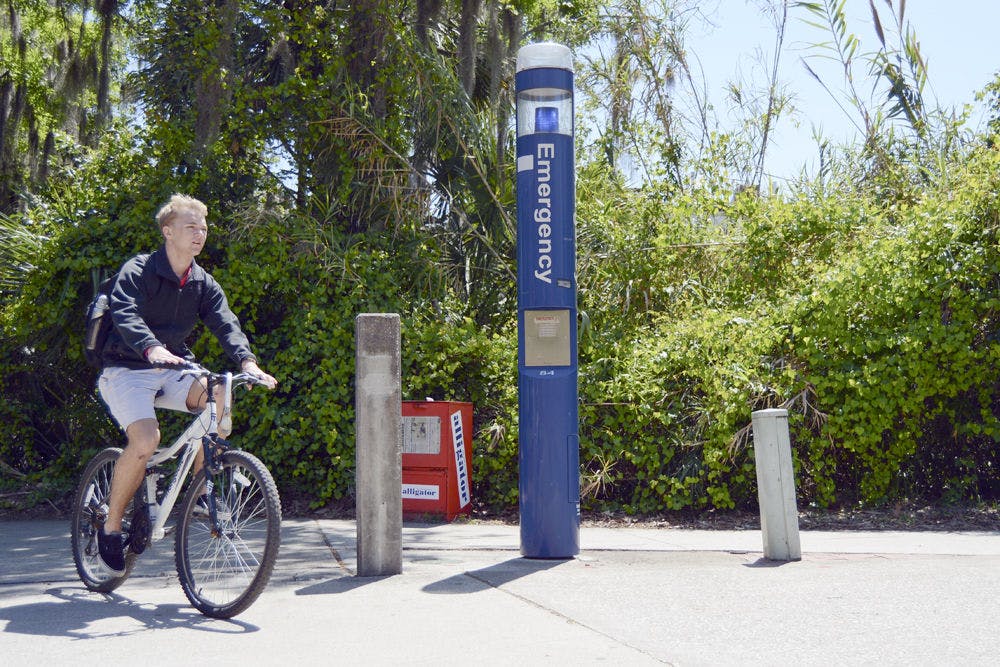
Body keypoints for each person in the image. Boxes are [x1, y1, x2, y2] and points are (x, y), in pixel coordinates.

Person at [95, 194, 276, 576]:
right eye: (191, 227)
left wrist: (248, 362)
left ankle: (201, 491)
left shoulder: (201, 282)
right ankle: (111, 528)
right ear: (168, 231)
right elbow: (123, 311)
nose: (200, 234)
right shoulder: (139, 270)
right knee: (145, 441)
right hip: (126, 369)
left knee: (219, 397)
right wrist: (150, 348)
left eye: (204, 228)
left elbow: (225, 323)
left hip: (173, 367)